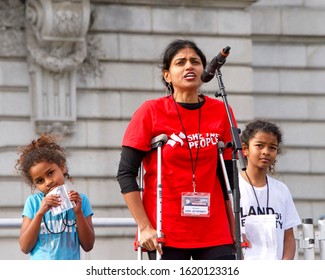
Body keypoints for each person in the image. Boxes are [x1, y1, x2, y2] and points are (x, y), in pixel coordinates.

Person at [117, 39, 237, 260]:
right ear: (167, 75)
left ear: (205, 70)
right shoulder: (150, 111)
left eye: (195, 61)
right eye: (180, 62)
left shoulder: (221, 111)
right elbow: (125, 174)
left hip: (215, 231)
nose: (189, 66)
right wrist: (144, 227)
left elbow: (228, 177)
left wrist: (236, 228)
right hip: (166, 230)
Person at [15, 134, 95, 260]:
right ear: (34, 184)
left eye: (50, 173)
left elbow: (88, 245)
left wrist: (78, 213)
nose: (48, 182)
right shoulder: (33, 203)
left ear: (62, 167)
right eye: (40, 181)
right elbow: (25, 247)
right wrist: (40, 213)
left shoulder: (81, 200)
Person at [239, 119, 301, 260]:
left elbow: (288, 237)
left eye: (272, 147)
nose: (266, 152)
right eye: (259, 146)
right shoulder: (234, 188)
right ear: (245, 149)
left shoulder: (281, 190)